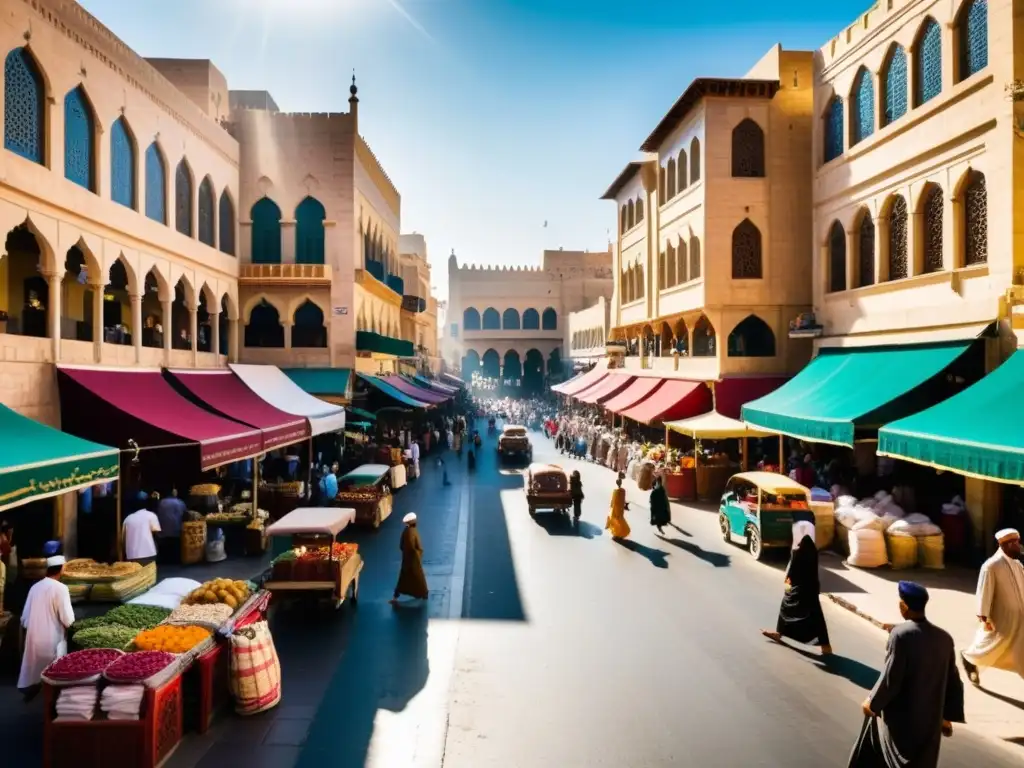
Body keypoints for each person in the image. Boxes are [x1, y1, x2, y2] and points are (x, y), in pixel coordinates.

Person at [847, 581, 964, 768]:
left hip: (902, 723)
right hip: (930, 725)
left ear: (903, 606)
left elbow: (891, 678)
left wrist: (872, 703)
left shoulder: (900, 635)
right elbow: (953, 680)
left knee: (869, 748)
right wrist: (947, 717)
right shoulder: (945, 638)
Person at [961, 528, 1024, 685]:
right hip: (1002, 618)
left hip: (1020, 618)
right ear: (1005, 545)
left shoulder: (1018, 565)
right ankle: (971, 659)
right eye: (1014, 543)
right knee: (993, 646)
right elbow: (984, 590)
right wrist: (984, 616)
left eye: (1018, 542)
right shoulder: (991, 566)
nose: (1018, 546)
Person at [761, 521, 832, 655]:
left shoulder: (798, 550)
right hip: (811, 587)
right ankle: (825, 646)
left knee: (786, 608)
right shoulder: (811, 548)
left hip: (798, 588)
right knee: (815, 615)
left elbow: (791, 572)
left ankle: (779, 633)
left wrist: (787, 588)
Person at [18, 555, 75, 702]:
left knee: (37, 671)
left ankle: (36, 692)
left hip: (34, 640)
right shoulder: (61, 588)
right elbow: (68, 620)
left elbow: (24, 619)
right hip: (52, 639)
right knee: (54, 675)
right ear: (61, 569)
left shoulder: (34, 588)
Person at [391, 513, 428, 605]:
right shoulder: (414, 531)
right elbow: (415, 546)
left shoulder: (407, 531)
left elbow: (403, 546)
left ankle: (396, 596)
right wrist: (418, 555)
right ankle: (423, 593)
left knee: (404, 578)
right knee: (418, 577)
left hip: (409, 559)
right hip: (414, 559)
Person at [122, 492, 161, 566]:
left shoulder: (127, 519)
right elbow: (157, 535)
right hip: (149, 553)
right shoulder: (151, 516)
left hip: (131, 555)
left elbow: (123, 540)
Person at [155, 487, 187, 564]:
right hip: (176, 531)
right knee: (175, 547)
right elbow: (185, 514)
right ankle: (175, 560)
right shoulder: (180, 503)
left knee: (165, 547)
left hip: (163, 531)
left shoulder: (162, 502)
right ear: (175, 494)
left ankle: (164, 560)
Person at [606, 473, 630, 539]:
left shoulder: (616, 491)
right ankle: (619, 533)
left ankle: (617, 534)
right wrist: (624, 505)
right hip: (620, 508)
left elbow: (613, 500)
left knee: (616, 520)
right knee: (619, 520)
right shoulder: (622, 491)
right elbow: (622, 500)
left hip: (616, 508)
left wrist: (612, 505)